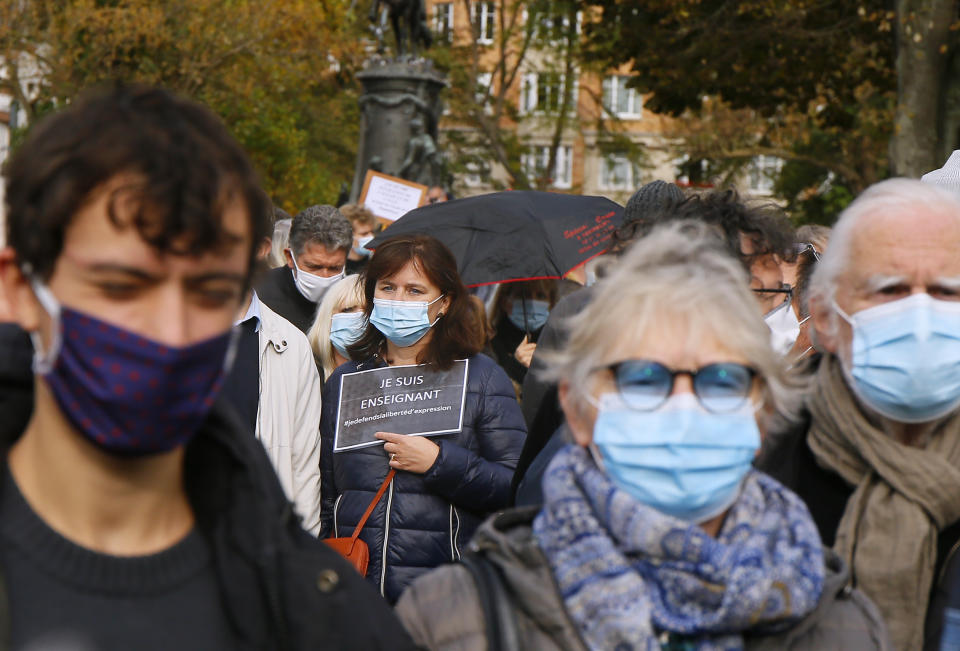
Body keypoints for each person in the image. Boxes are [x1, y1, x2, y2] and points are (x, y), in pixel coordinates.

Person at [0, 84, 416, 650]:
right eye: (122, 286)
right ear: (21, 289)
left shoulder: (317, 610)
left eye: (209, 291)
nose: (171, 329)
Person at [396, 222, 889, 650]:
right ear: (578, 406)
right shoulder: (455, 620)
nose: (682, 407)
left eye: (721, 381)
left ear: (763, 415)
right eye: (642, 379)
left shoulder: (843, 625)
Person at [756, 179, 960, 651]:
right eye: (889, 289)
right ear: (825, 318)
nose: (920, 314)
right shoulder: (755, 456)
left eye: (947, 290)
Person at [514, 187, 795, 501]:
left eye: (777, 296)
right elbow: (538, 435)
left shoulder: (784, 522)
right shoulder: (571, 485)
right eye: (647, 381)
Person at [319, 234, 526, 603]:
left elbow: (516, 488)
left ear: (443, 303)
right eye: (387, 287)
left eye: (415, 291)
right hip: (355, 591)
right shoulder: (347, 380)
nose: (398, 301)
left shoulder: (480, 378)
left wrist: (439, 463)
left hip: (443, 597)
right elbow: (327, 492)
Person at [221, 282, 324, 535]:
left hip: (261, 537)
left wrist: (302, 550)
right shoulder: (162, 333)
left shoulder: (292, 343)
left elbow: (304, 462)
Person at [256, 204, 352, 333]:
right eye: (314, 267)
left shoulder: (353, 304)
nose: (324, 276)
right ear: (290, 257)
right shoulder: (256, 296)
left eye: (335, 268)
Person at [489, 279, 559, 387]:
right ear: (504, 302)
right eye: (524, 295)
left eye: (540, 296)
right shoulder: (489, 347)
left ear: (551, 304)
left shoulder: (559, 346)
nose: (532, 303)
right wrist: (515, 367)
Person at [307, 274, 366, 382]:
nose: (360, 317)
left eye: (367, 311)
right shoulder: (306, 374)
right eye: (348, 309)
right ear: (327, 320)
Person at [340, 204, 378, 276]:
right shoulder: (334, 266)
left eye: (372, 232)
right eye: (364, 234)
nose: (371, 236)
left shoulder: (377, 265)